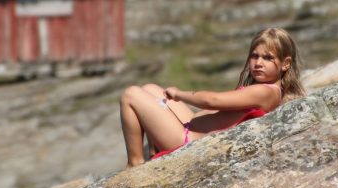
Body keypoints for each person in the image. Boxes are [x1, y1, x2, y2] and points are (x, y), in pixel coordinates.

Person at [120, 27, 305, 168]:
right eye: (254, 56)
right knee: (150, 89)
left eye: (268, 58)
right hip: (188, 127)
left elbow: (212, 101)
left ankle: (135, 164)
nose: (258, 63)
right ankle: (154, 152)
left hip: (185, 141)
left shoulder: (266, 92)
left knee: (131, 94)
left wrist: (179, 94)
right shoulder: (264, 89)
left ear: (285, 64)